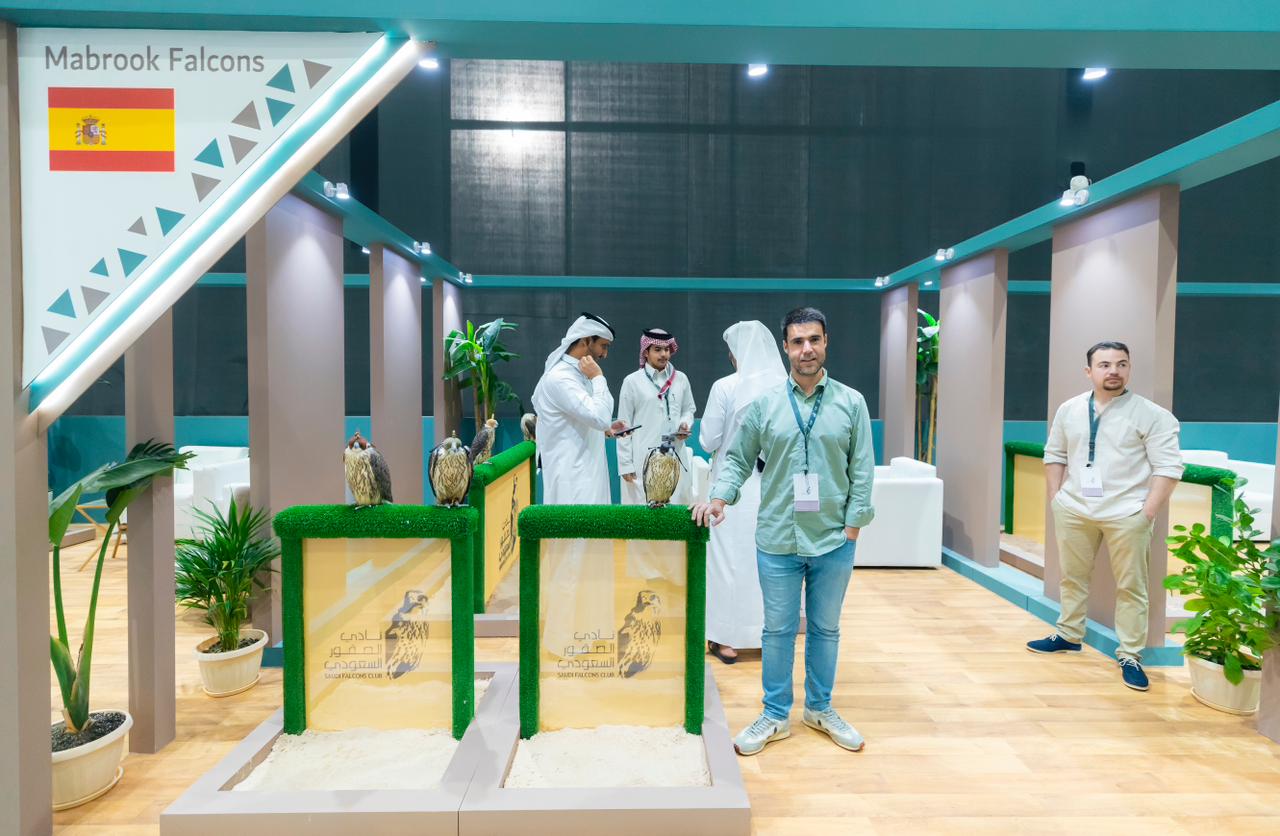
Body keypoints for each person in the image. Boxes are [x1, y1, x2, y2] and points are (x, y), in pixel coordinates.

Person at [691, 307, 875, 757]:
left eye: (814, 339)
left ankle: (819, 709)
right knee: (776, 631)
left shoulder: (851, 403)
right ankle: (774, 714)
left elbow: (862, 468)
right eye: (797, 341)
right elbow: (737, 458)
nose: (806, 349)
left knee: (825, 629)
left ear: (826, 342)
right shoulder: (766, 404)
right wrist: (720, 497)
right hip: (777, 537)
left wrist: (854, 525)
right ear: (786, 348)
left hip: (833, 538)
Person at [1027, 341, 1183, 692]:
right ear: (1089, 371)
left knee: (1132, 586)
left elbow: (1169, 468)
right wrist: (1056, 498)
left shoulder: (1152, 415)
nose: (1114, 371)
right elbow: (1054, 454)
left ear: (1129, 369)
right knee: (1072, 577)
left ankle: (1129, 655)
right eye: (1105, 365)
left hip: (1127, 513)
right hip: (1074, 508)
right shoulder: (1069, 409)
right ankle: (1069, 634)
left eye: (1121, 364)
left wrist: (1146, 512)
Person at [531, 313, 627, 653]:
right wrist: (599, 380)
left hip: (586, 477)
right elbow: (597, 412)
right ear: (585, 342)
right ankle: (564, 640)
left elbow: (589, 420)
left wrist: (606, 430)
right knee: (572, 557)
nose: (604, 354)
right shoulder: (562, 378)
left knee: (590, 555)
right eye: (603, 346)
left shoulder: (575, 376)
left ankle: (589, 631)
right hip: (573, 482)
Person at [699, 321, 787, 665]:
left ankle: (725, 639)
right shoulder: (783, 386)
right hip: (771, 487)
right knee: (767, 562)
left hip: (730, 487)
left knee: (726, 562)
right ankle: (764, 635)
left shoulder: (725, 386)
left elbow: (708, 440)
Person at [617, 328, 697, 505]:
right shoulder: (632, 381)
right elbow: (624, 425)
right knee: (642, 509)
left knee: (677, 504)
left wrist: (685, 423)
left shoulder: (681, 379)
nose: (664, 354)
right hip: (642, 457)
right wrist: (625, 464)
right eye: (658, 349)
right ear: (646, 352)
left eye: (667, 349)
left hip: (675, 454)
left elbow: (688, 409)